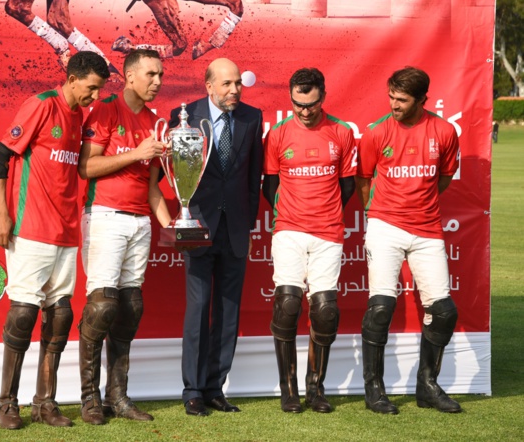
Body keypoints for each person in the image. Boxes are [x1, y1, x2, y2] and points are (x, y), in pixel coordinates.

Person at [0, 51, 110, 430]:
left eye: (99, 90)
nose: (94, 96)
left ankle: (46, 402)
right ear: (73, 79)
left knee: (60, 315)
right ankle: (8, 403)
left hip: (66, 230)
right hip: (30, 227)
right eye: (91, 88)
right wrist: (2, 213)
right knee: (23, 313)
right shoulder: (41, 105)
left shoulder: (79, 118)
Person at [355, 66, 461, 414]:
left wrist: (419, 205)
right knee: (381, 307)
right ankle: (374, 389)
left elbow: (443, 178)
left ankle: (427, 386)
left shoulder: (444, 131)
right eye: (391, 97)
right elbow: (364, 181)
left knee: (444, 312)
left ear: (422, 100)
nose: (394, 104)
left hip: (427, 229)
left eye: (401, 100)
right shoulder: (376, 132)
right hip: (385, 226)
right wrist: (378, 216)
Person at [76, 49, 172, 425]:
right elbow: (87, 166)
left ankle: (119, 397)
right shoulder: (106, 110)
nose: (158, 81)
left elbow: (152, 189)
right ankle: (90, 398)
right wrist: (135, 153)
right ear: (130, 77)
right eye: (151, 74)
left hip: (140, 221)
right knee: (102, 307)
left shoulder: (156, 122)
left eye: (161, 74)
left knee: (130, 308)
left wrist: (173, 226)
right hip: (106, 217)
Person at [168, 58, 264, 417]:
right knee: (199, 307)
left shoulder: (252, 118)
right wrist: (184, 217)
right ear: (208, 86)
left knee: (228, 312)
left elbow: (254, 180)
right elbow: (178, 178)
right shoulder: (184, 116)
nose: (234, 90)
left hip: (235, 230)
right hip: (198, 225)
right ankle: (192, 389)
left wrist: (248, 225)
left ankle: (215, 388)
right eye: (226, 84)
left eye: (238, 83)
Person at [262, 68, 357, 413]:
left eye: (311, 104)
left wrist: (324, 212)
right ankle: (289, 390)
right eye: (298, 104)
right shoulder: (276, 135)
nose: (304, 111)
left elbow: (347, 186)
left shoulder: (342, 133)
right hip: (288, 228)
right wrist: (291, 215)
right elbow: (269, 187)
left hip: (329, 231)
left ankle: (315, 389)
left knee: (325, 310)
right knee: (287, 304)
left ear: (323, 96)